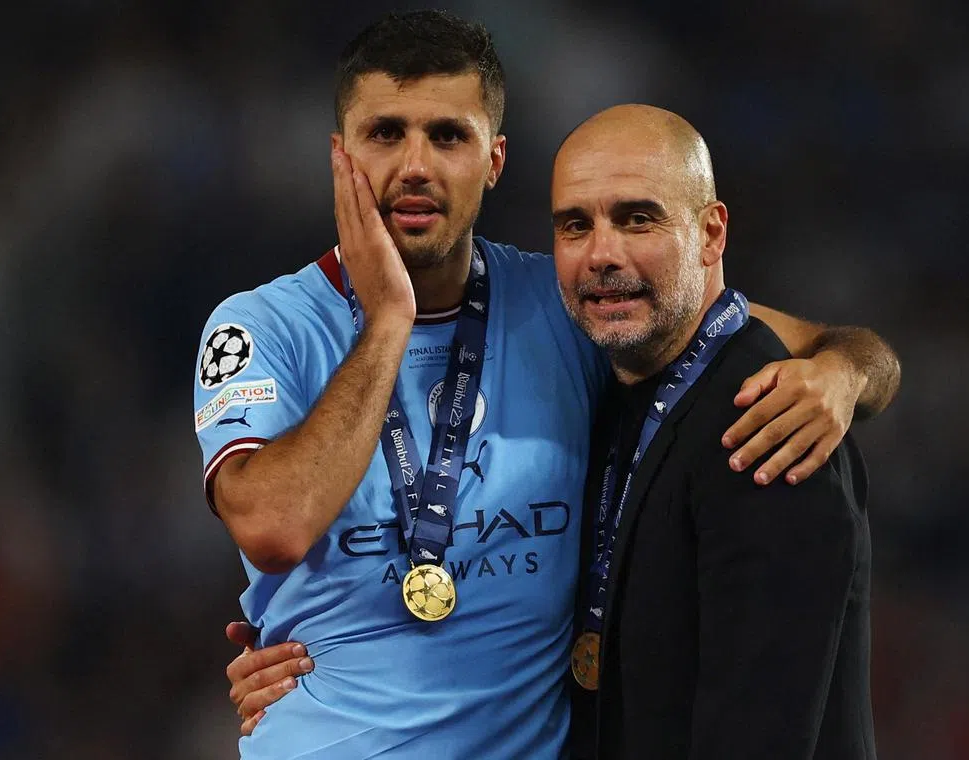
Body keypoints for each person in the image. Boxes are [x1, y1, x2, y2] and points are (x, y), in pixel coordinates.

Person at [198, 10, 898, 758]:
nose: (415, 166)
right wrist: (387, 323)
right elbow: (273, 527)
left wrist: (844, 372)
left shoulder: (570, 304)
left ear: (494, 160)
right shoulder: (262, 327)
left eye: (448, 135)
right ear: (341, 156)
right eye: (384, 133)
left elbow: (762, 339)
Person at [556, 104, 878, 758]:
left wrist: (850, 367)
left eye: (637, 218)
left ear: (711, 233)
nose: (602, 254)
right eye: (575, 225)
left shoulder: (771, 420)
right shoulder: (611, 386)